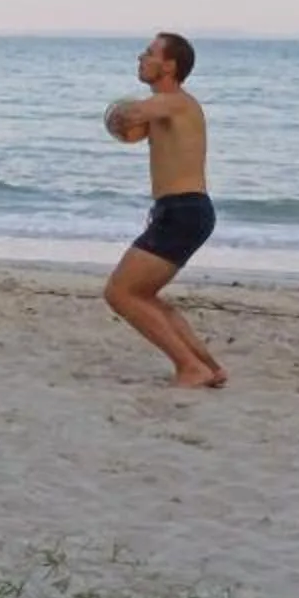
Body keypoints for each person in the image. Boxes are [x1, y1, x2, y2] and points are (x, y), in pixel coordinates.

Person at [100, 31, 225, 387]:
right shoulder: (165, 107)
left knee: (120, 293)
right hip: (180, 211)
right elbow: (134, 129)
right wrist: (126, 122)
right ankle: (209, 367)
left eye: (149, 53)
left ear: (169, 65)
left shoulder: (177, 102)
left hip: (184, 212)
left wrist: (119, 113)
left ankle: (190, 368)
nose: (141, 57)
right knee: (144, 295)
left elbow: (135, 113)